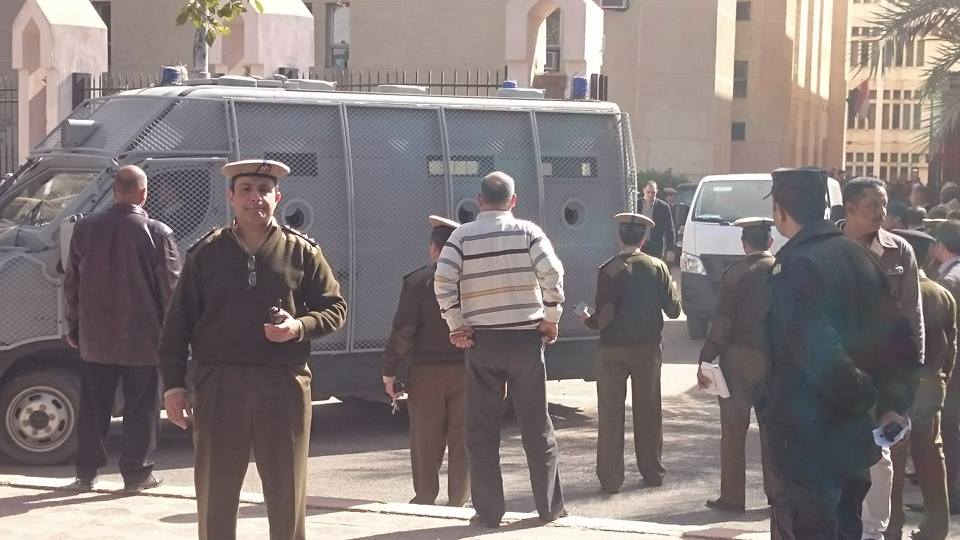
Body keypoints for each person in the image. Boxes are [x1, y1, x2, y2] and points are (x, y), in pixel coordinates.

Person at [158, 159, 347, 540]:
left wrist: (298, 327)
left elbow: (335, 308)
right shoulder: (205, 253)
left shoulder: (302, 252)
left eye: (264, 191)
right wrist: (174, 385)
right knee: (215, 489)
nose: (255, 198)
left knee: (286, 489)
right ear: (231, 196)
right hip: (219, 384)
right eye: (246, 190)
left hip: (283, 384)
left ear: (278, 198)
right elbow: (177, 324)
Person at [762, 167, 920, 539]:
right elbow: (901, 336)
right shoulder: (858, 254)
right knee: (847, 524)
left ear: (781, 211)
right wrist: (891, 403)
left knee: (813, 526)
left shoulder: (796, 264)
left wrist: (866, 398)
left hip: (812, 433)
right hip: (853, 435)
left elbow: (820, 351)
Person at [434, 171, 566, 528]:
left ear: (479, 200)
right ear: (513, 200)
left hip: (483, 343)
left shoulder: (461, 237)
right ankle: (549, 508)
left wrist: (456, 324)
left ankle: (490, 512)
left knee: (481, 430)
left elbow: (442, 280)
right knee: (536, 426)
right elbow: (552, 274)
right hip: (526, 341)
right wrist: (551, 318)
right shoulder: (529, 232)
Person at [63, 165, 181, 492]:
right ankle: (137, 473)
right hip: (143, 339)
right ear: (144, 194)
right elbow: (170, 291)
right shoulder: (159, 233)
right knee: (141, 407)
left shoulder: (85, 229)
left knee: (93, 406)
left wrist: (74, 326)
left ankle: (86, 473)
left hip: (94, 337)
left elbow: (72, 283)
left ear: (114, 191)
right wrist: (175, 337)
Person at [841, 177, 925, 540]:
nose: (882, 212)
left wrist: (909, 380)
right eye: (873, 205)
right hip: (837, 368)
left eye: (884, 204)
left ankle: (873, 532)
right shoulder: (828, 249)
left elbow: (913, 316)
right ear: (849, 208)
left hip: (882, 374)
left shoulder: (898, 250)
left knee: (880, 457)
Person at [580, 213, 681, 493]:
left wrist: (589, 320)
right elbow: (674, 310)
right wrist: (673, 289)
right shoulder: (657, 267)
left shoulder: (609, 269)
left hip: (612, 351)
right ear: (644, 239)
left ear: (619, 238)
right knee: (648, 410)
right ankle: (652, 472)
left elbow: (605, 318)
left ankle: (611, 478)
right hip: (647, 350)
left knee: (610, 413)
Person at [381, 215, 469, 507]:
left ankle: (425, 497)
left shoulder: (418, 282)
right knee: (464, 441)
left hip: (426, 374)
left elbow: (403, 331)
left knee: (425, 440)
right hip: (467, 371)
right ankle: (458, 501)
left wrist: (390, 371)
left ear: (433, 248)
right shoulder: (474, 283)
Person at [696, 217, 777, 513]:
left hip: (738, 361)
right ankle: (777, 494)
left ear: (744, 244)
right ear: (770, 242)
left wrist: (706, 357)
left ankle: (732, 497)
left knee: (733, 430)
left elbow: (723, 323)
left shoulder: (735, 274)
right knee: (773, 430)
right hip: (774, 360)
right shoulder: (783, 271)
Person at [888, 229, 955, 540]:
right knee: (930, 455)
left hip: (899, 386)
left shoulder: (894, 292)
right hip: (932, 384)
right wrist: (944, 377)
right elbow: (952, 344)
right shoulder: (941, 292)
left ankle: (892, 524)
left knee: (894, 456)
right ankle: (937, 525)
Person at [932, 219, 960, 516]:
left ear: (940, 247)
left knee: (950, 431)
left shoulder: (949, 282)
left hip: (954, 367)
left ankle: (952, 494)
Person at [637, 181, 676, 261]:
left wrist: (670, 249)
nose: (650, 195)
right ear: (643, 190)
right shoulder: (637, 205)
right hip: (639, 245)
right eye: (648, 192)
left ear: (656, 191)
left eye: (653, 192)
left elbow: (669, 228)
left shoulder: (663, 207)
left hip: (655, 247)